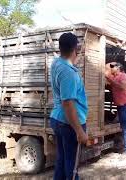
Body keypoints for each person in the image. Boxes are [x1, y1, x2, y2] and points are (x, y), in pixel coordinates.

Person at [50, 32, 88, 180]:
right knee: (72, 166)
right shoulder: (68, 73)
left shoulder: (57, 63)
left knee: (62, 160)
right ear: (75, 49)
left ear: (60, 48)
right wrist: (79, 131)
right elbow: (67, 103)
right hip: (69, 123)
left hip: (58, 119)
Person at [105, 62, 126, 156]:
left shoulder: (123, 76)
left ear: (118, 68)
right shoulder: (114, 77)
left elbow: (122, 86)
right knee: (123, 126)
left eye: (112, 67)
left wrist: (109, 79)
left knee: (125, 127)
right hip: (120, 105)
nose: (111, 68)